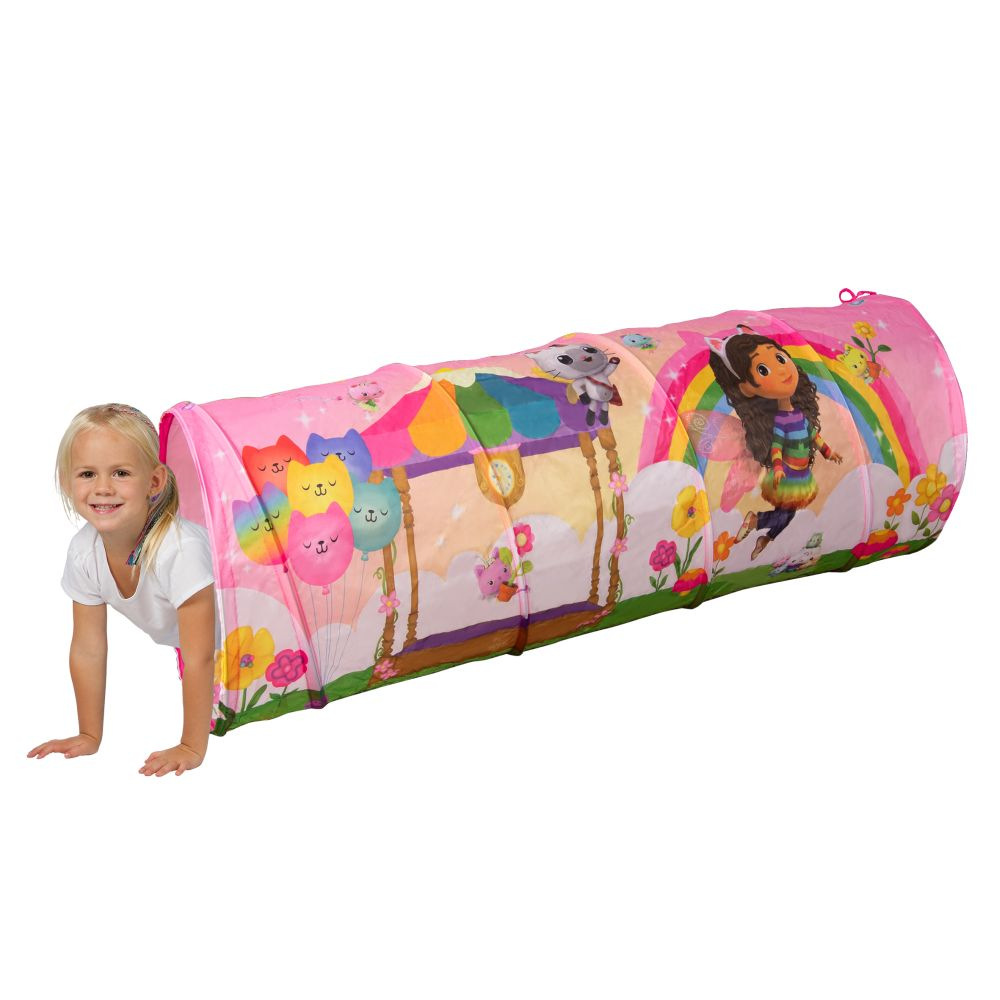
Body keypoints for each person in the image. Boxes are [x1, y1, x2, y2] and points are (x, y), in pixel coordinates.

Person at [27, 403, 217, 776]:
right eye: (87, 473)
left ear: (154, 482)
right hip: (207, 640)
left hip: (250, 621)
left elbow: (199, 657)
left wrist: (192, 745)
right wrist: (89, 734)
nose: (102, 488)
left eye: (121, 473)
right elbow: (88, 648)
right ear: (66, 482)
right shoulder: (84, 552)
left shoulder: (179, 551)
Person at [706, 325, 844, 561]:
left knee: (788, 514)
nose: (782, 370)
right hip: (789, 475)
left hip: (801, 475)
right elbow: (777, 446)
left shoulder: (799, 415)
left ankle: (764, 537)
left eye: (780, 358)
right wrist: (778, 468)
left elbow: (813, 435)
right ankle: (756, 522)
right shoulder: (780, 421)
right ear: (746, 389)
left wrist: (828, 452)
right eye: (763, 369)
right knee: (787, 512)